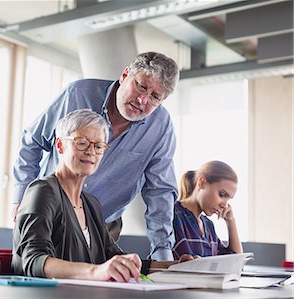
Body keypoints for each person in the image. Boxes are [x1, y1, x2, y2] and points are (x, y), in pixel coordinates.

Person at [13, 52, 180, 260]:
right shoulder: (78, 94)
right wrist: (22, 198)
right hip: (50, 212)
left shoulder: (160, 127)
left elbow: (160, 192)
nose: (142, 100)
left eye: (155, 97)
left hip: (103, 226)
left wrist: (163, 256)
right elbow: (32, 142)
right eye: (141, 86)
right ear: (125, 75)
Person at [13, 110, 193, 281]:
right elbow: (33, 261)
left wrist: (173, 266)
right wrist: (96, 271)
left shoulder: (91, 204)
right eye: (82, 143)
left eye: (99, 146)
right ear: (60, 145)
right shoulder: (42, 191)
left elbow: (114, 257)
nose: (91, 152)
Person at [172, 161, 243, 259]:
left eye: (228, 199)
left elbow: (235, 262)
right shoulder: (174, 215)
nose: (224, 205)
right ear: (201, 183)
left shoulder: (208, 225)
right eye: (222, 195)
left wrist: (231, 221)